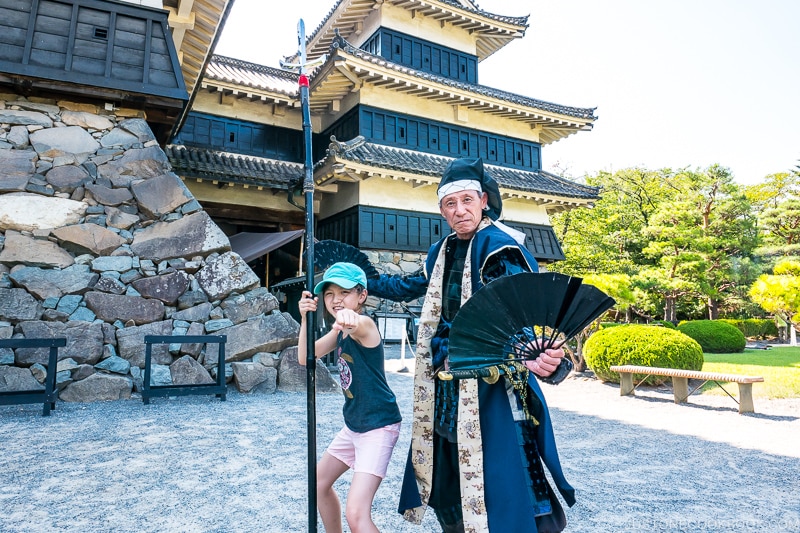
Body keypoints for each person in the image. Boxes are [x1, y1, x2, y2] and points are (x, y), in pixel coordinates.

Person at [368, 157, 575, 532]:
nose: (459, 211)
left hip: (490, 382)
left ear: (483, 201)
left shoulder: (499, 247)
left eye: (467, 200)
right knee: (448, 473)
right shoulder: (440, 251)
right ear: (442, 210)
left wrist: (546, 358)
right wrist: (364, 281)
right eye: (450, 203)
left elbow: (516, 308)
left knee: (504, 477)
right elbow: (410, 285)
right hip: (445, 382)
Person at [297, 262, 402, 533]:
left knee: (357, 514)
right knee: (318, 483)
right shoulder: (339, 330)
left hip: (378, 425)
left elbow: (359, 323)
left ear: (361, 296)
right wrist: (305, 318)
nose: (336, 300)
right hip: (354, 424)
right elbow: (304, 357)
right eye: (330, 294)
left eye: (344, 292)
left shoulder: (363, 325)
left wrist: (349, 319)